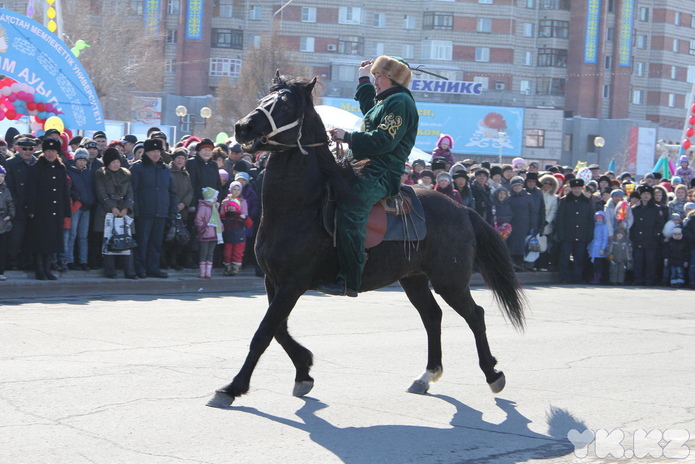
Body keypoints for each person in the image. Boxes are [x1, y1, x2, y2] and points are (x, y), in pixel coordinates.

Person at [321, 55, 418, 296]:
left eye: (379, 76)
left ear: (393, 78)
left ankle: (350, 279)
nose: (375, 80)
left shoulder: (401, 102)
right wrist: (363, 78)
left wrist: (349, 136)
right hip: (365, 164)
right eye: (374, 76)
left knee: (351, 209)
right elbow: (369, 111)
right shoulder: (387, 101)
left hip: (382, 171)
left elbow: (384, 140)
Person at [130, 140, 178, 278]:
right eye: (153, 152)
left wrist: (172, 210)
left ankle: (153, 268)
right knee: (142, 242)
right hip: (144, 211)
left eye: (158, 152)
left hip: (161, 211)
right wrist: (135, 210)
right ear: (146, 152)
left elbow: (172, 191)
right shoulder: (137, 168)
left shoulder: (165, 169)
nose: (156, 154)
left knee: (156, 243)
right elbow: (133, 191)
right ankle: (140, 269)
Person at [25, 138, 71, 280]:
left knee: (53, 241)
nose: (50, 154)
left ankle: (47, 268)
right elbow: (31, 190)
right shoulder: (36, 167)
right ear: (43, 152)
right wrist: (31, 209)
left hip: (56, 209)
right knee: (40, 241)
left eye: (53, 151)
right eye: (48, 151)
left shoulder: (60, 167)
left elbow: (64, 190)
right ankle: (39, 269)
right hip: (41, 210)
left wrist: (66, 209)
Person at [93, 148, 137, 279]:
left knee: (127, 240)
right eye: (113, 162)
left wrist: (126, 208)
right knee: (109, 240)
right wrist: (112, 207)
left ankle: (129, 271)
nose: (116, 164)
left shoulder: (126, 174)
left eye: (118, 161)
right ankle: (110, 270)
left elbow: (130, 193)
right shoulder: (100, 174)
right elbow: (101, 193)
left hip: (124, 210)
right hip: (107, 211)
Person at [4, 136, 38, 270]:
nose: (28, 151)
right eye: (25, 149)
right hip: (16, 207)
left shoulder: (37, 163)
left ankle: (27, 262)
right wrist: (17, 205)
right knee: (15, 237)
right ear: (18, 148)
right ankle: (11, 262)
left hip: (33, 207)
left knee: (30, 237)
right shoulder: (10, 163)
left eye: (31, 149)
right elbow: (9, 188)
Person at [556, 178, 595, 284]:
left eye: (579, 188)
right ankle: (564, 277)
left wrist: (589, 235)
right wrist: (561, 233)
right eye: (574, 188)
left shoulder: (587, 201)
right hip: (567, 234)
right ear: (571, 189)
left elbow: (590, 219)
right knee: (564, 257)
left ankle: (578, 277)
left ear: (582, 188)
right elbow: (560, 218)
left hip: (582, 234)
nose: (577, 190)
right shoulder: (564, 201)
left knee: (579, 257)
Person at [65, 148, 96, 270]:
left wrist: (91, 200)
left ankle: (83, 260)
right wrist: (77, 197)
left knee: (83, 236)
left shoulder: (89, 173)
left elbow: (92, 189)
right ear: (75, 160)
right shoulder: (70, 172)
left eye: (84, 160)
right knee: (72, 235)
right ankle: (70, 259)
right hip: (76, 206)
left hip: (87, 207)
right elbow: (69, 189)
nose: (82, 162)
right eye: (80, 160)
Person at [630, 185, 665, 286]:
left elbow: (660, 224)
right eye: (644, 194)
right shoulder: (635, 208)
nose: (646, 196)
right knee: (638, 261)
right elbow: (632, 224)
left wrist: (655, 235)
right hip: (638, 239)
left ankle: (649, 279)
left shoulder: (656, 209)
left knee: (650, 262)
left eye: (648, 194)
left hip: (651, 240)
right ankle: (637, 279)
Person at [165, 148, 194, 270]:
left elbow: (190, 191)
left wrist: (184, 203)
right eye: (178, 158)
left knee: (181, 238)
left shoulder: (186, 174)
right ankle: (167, 261)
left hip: (183, 211)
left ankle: (177, 261)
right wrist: (174, 204)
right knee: (169, 238)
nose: (180, 161)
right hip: (170, 209)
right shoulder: (168, 172)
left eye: (183, 158)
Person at [220, 181, 253, 276]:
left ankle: (235, 267)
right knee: (227, 250)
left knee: (238, 251)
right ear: (230, 190)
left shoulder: (243, 201)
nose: (236, 191)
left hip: (239, 228)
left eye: (238, 189)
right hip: (228, 228)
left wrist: (239, 215)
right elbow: (222, 214)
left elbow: (245, 216)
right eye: (234, 189)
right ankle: (228, 267)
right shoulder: (225, 201)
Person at [507, 176, 537, 268]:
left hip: (524, 225)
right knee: (511, 246)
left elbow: (533, 212)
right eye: (515, 186)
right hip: (512, 224)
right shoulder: (508, 196)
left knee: (521, 246)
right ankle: (512, 265)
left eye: (519, 185)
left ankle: (520, 264)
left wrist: (533, 226)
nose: (517, 187)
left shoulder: (528, 197)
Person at [194, 187, 223, 278]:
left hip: (214, 234)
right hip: (205, 234)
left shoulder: (214, 208)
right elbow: (198, 220)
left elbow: (218, 220)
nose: (216, 199)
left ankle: (208, 272)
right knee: (203, 253)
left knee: (210, 253)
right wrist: (203, 227)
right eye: (215, 197)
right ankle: (202, 272)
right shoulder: (203, 208)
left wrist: (220, 227)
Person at [0, 164, 14, 281]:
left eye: (2, 176)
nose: (0, 178)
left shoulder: (6, 190)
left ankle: (1, 272)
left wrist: (10, 216)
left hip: (3, 224)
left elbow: (11, 205)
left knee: (2, 250)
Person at [587, 211, 610, 284]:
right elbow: (591, 238)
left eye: (601, 218)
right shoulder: (594, 226)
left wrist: (603, 248)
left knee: (599, 265)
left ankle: (599, 277)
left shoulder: (604, 227)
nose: (599, 220)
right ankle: (593, 277)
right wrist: (589, 247)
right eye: (598, 218)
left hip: (600, 248)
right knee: (593, 265)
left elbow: (605, 238)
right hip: (593, 248)